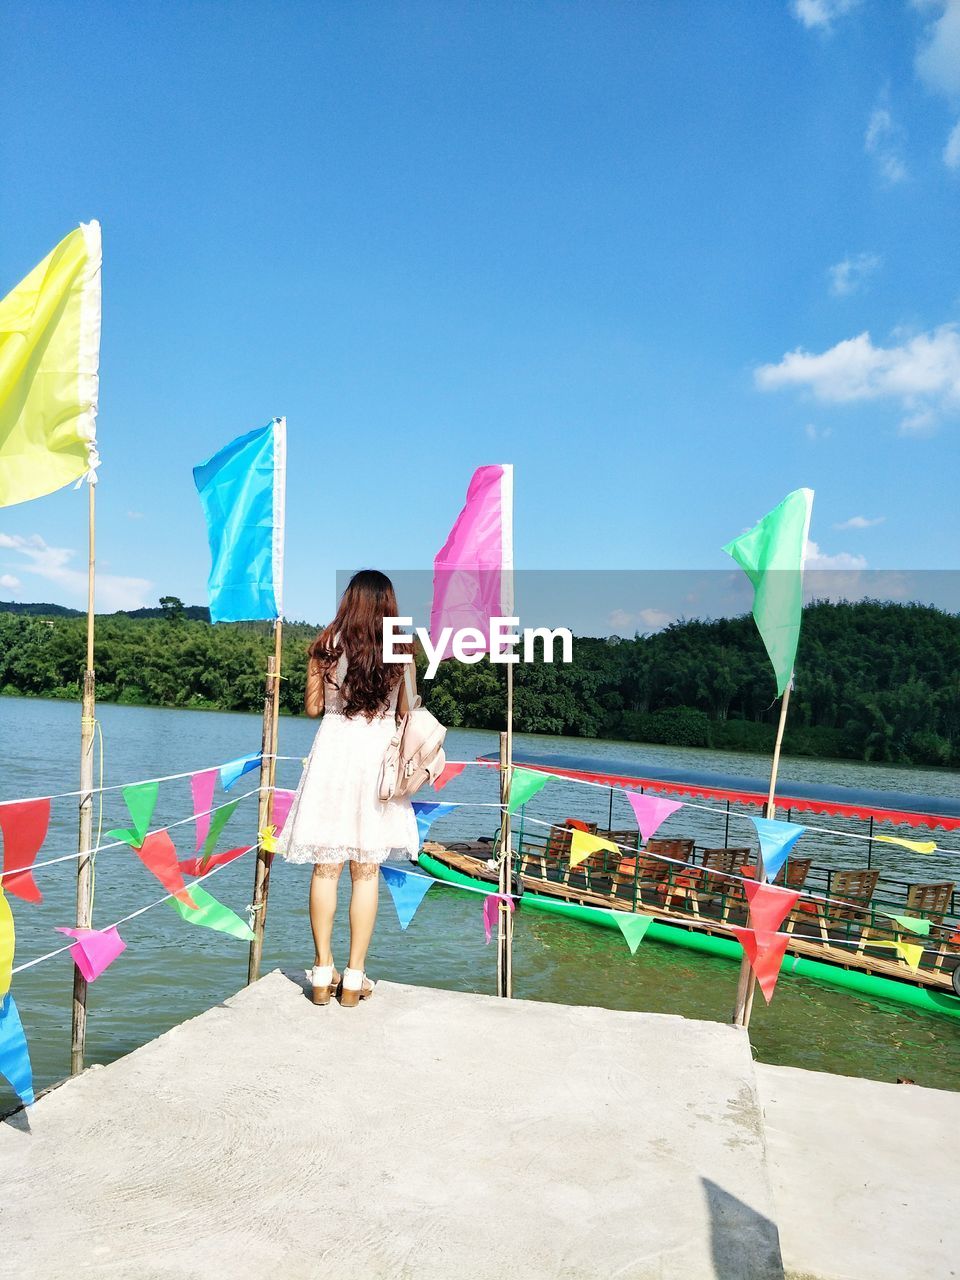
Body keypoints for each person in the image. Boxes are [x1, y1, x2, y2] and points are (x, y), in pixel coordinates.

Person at [276, 570, 419, 1007]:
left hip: (333, 754)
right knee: (366, 869)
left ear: (348, 600)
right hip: (376, 758)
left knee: (327, 866)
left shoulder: (325, 645)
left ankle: (323, 973)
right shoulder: (400, 647)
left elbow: (313, 707)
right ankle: (354, 979)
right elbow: (407, 710)